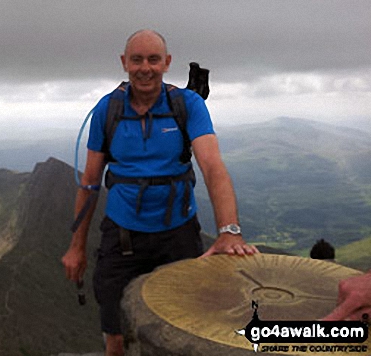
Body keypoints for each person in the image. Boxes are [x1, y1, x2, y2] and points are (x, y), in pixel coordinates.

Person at [62, 29, 258, 356]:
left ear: (167, 63)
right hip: (121, 238)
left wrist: (229, 231)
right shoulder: (107, 110)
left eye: (154, 59)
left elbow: (212, 167)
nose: (145, 67)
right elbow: (90, 183)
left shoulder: (188, 105)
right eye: (136, 59)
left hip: (178, 236)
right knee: (116, 337)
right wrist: (76, 247)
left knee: (185, 327)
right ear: (124, 63)